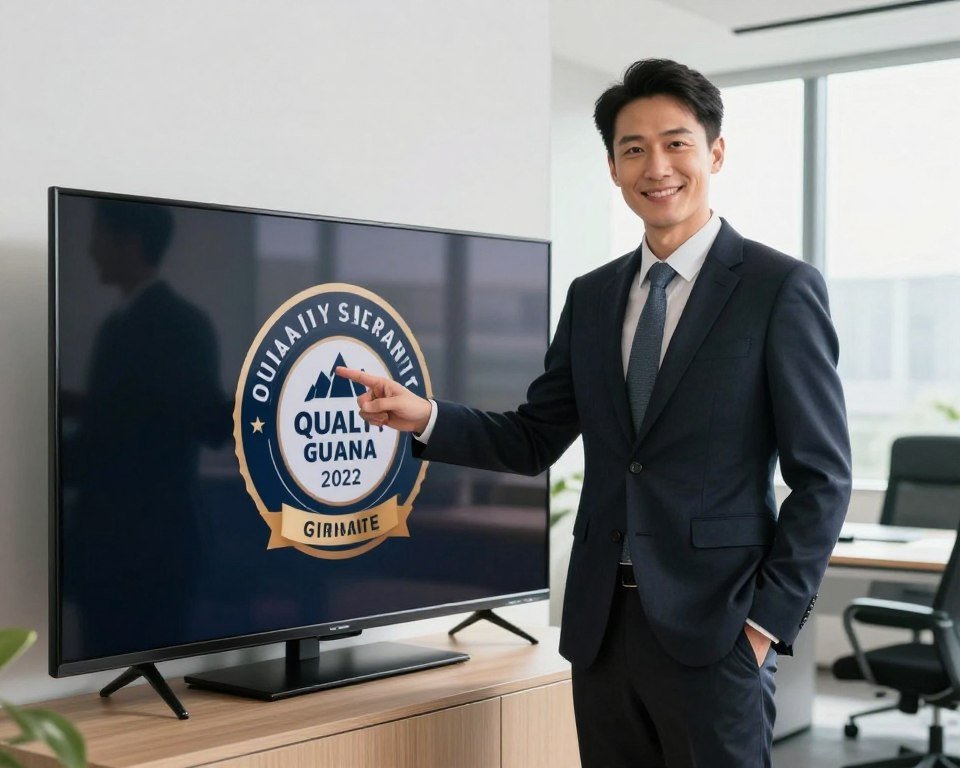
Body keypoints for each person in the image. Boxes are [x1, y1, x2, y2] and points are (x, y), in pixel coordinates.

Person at [337, 58, 851, 768]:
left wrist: (765, 623)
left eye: (676, 143)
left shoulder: (779, 288)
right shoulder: (593, 296)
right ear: (613, 167)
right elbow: (533, 437)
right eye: (633, 149)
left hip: (718, 629)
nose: (656, 166)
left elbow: (823, 477)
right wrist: (425, 415)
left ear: (715, 153)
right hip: (602, 628)